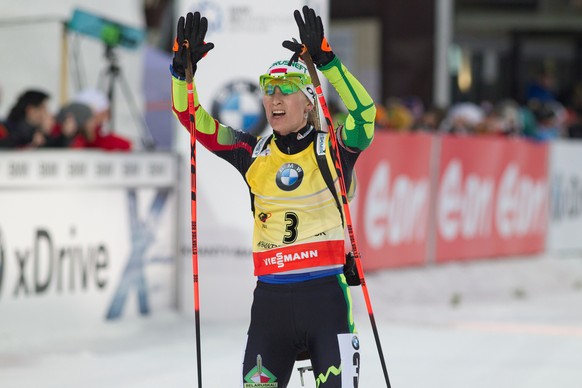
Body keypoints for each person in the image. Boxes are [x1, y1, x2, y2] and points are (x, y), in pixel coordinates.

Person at [171, 7, 376, 387]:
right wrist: (182, 73)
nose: (275, 99)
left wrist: (327, 61)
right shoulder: (252, 151)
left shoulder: (331, 148)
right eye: (268, 90)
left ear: (309, 101)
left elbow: (365, 114)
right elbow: (191, 118)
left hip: (325, 300)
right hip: (271, 305)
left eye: (286, 91)